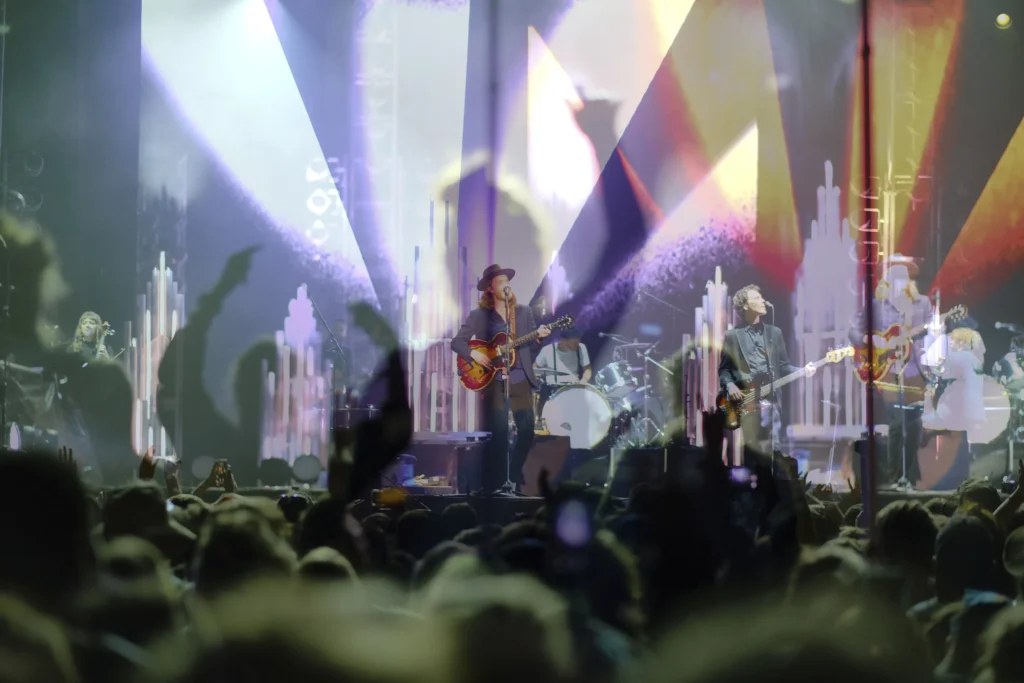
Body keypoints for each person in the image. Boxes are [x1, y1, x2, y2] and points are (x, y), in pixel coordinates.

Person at [451, 264, 550, 493]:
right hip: (495, 380)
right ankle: (495, 484)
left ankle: (514, 473)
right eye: (500, 281)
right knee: (500, 433)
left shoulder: (523, 312)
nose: (506, 284)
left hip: (520, 378)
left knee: (527, 431)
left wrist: (538, 340)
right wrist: (474, 353)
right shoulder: (480, 316)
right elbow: (457, 342)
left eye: (507, 280)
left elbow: (530, 353)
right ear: (489, 288)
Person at [848, 254, 934, 487]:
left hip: (914, 369)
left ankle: (910, 478)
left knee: (914, 424)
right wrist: (871, 339)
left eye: (904, 273)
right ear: (887, 278)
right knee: (897, 424)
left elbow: (931, 332)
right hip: (886, 369)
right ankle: (896, 477)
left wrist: (933, 332)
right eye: (895, 274)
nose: (900, 278)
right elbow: (853, 331)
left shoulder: (923, 303)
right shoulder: (876, 306)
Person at [719, 284, 815, 456]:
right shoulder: (732, 336)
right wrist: (730, 386)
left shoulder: (775, 333)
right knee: (750, 452)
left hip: (771, 403)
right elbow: (724, 370)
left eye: (761, 297)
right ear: (745, 306)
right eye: (756, 298)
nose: (763, 300)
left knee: (773, 452)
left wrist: (803, 370)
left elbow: (782, 366)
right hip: (746, 403)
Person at [922, 327, 987, 490]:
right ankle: (957, 483)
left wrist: (934, 336)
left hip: (957, 415)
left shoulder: (963, 358)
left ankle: (948, 484)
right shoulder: (972, 360)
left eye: (954, 339)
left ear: (962, 343)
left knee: (955, 453)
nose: (950, 342)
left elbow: (931, 362)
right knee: (961, 452)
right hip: (964, 415)